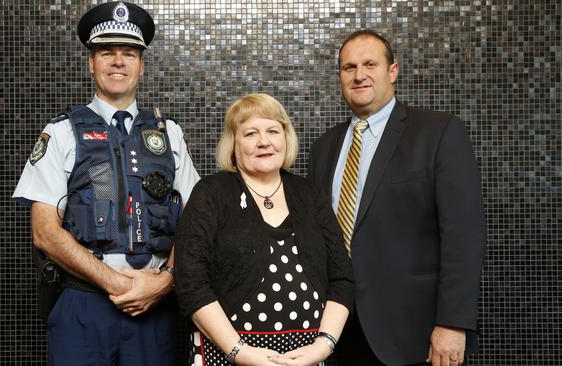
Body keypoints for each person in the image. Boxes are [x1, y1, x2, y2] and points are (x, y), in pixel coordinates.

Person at [12, 2, 200, 365]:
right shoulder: (62, 132)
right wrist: (117, 284)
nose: (118, 62)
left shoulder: (169, 133)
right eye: (106, 52)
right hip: (83, 306)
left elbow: (194, 223)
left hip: (154, 308)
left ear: (141, 65)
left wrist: (165, 280)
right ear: (91, 63)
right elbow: (45, 233)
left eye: (129, 53)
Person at [308, 29, 486, 366]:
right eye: (349, 68)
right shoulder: (323, 149)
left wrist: (453, 323)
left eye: (370, 64)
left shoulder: (438, 133)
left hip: (415, 332)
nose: (359, 75)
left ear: (393, 72)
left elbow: (464, 235)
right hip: (338, 332)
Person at [175, 93, 353, 366]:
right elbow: (191, 284)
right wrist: (239, 352)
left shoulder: (310, 195)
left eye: (273, 130)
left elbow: (342, 279)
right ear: (233, 143)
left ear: (285, 138)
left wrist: (322, 346)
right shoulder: (210, 194)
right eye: (250, 133)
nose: (264, 141)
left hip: (307, 359)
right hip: (229, 356)